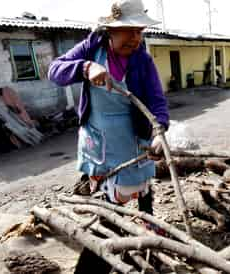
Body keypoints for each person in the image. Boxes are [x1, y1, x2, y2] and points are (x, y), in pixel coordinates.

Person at [48, 0, 169, 217]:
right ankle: (111, 225)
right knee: (106, 185)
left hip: (133, 132)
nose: (135, 39)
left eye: (139, 31)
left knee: (141, 180)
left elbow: (156, 99)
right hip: (99, 132)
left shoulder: (143, 60)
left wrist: (159, 132)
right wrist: (85, 67)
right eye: (128, 31)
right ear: (110, 31)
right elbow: (54, 71)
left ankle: (147, 218)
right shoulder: (91, 48)